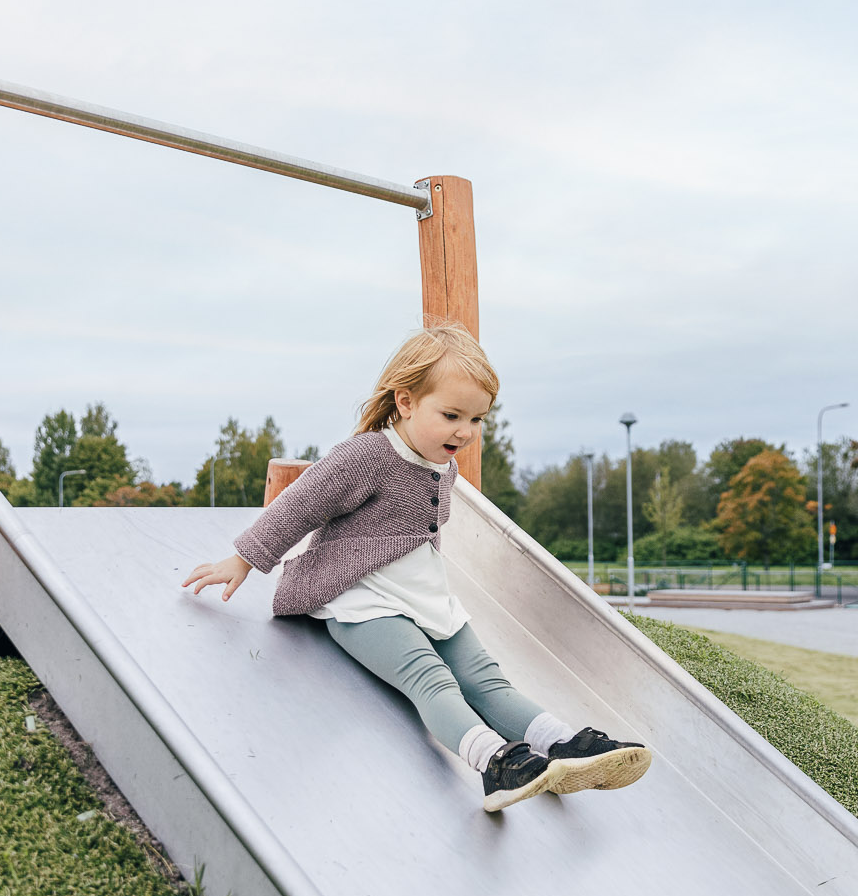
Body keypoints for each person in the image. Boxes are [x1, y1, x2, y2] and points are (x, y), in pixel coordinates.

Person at [179, 326, 654, 813]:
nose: (464, 431)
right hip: (361, 599)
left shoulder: (441, 464)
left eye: (476, 418)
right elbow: (300, 505)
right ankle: (496, 765)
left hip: (424, 595)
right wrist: (243, 559)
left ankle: (563, 746)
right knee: (431, 679)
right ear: (405, 402)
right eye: (451, 415)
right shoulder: (366, 456)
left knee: (487, 680)